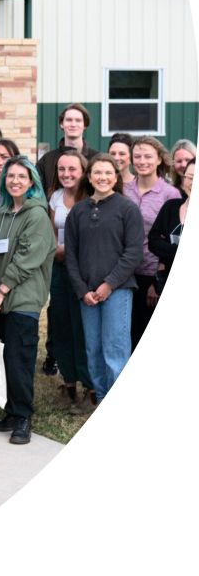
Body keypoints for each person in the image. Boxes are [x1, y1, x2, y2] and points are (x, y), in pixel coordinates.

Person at [0, 157, 56, 445]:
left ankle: (23, 416)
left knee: (19, 359)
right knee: (4, 357)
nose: (15, 181)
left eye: (21, 176)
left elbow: (27, 259)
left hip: (22, 299)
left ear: (32, 181)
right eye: (10, 176)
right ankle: (11, 412)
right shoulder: (2, 214)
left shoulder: (36, 214)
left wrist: (0, 292)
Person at [64, 154, 144, 404]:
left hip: (117, 290)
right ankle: (100, 397)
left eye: (108, 173)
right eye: (97, 172)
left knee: (115, 348)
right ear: (89, 177)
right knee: (94, 349)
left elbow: (134, 253)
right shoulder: (78, 211)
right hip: (87, 293)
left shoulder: (127, 208)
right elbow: (71, 255)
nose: (103, 177)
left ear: (116, 176)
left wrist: (109, 284)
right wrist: (82, 289)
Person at [47, 149, 94, 409]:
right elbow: (54, 233)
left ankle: (89, 386)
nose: (66, 174)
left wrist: (67, 251)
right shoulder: (55, 197)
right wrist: (57, 252)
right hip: (60, 269)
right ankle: (68, 384)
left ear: (83, 171)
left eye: (72, 169)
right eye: (62, 169)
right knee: (62, 325)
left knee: (82, 329)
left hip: (86, 273)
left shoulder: (91, 198)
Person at [123, 136, 178, 351]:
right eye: (137, 156)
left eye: (148, 156)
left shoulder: (170, 194)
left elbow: (168, 241)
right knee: (127, 332)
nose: (142, 161)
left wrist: (158, 280)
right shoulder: (123, 190)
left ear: (158, 159)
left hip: (152, 274)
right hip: (125, 273)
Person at [149, 158, 192, 296]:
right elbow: (153, 241)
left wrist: (167, 249)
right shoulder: (171, 206)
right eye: (189, 177)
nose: (193, 182)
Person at [37, 103, 97, 195]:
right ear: (62, 124)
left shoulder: (96, 159)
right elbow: (37, 194)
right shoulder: (47, 160)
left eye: (78, 120)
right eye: (69, 120)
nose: (73, 124)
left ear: (84, 125)